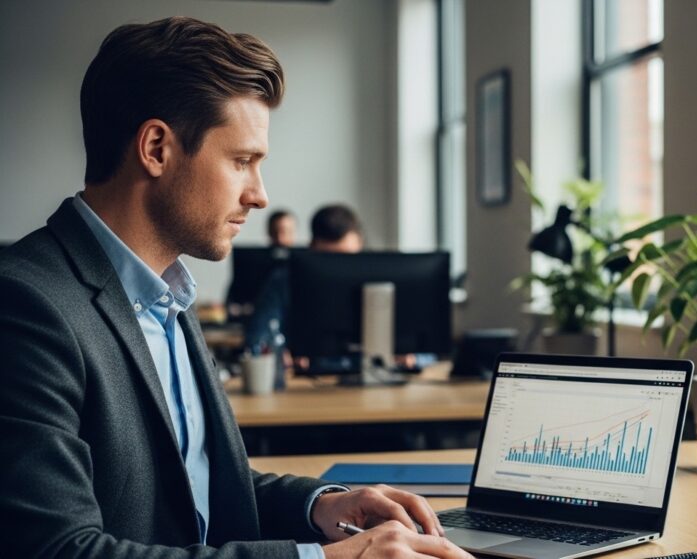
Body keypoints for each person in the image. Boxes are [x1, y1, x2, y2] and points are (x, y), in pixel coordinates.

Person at [0, 16, 472, 559]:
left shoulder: (167, 297)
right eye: (242, 161)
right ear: (156, 148)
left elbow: (199, 491)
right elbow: (61, 551)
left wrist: (322, 506)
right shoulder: (28, 306)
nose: (260, 195)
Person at [244, 204, 364, 353]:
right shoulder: (284, 280)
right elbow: (258, 339)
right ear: (312, 248)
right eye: (330, 259)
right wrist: (279, 354)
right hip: (301, 371)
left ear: (360, 246)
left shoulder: (375, 282)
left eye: (345, 258)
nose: (338, 270)